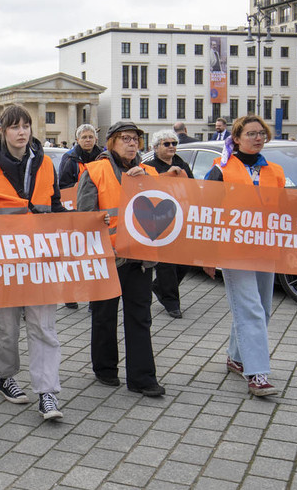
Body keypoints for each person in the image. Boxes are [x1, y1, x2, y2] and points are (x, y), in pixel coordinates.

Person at [0, 104, 67, 421]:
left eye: (26, 126)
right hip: (3, 262)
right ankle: (6, 377)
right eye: (14, 127)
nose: (21, 132)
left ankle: (47, 393)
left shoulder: (46, 165)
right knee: (6, 330)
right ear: (4, 132)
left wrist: (87, 225)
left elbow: (54, 207)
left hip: (40, 262)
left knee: (44, 329)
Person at [77, 121, 184, 398]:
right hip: (107, 257)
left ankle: (142, 377)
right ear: (111, 142)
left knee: (140, 317)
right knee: (104, 316)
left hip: (139, 258)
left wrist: (158, 181)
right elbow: (85, 217)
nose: (132, 143)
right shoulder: (95, 171)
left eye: (135, 138)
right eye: (125, 138)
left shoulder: (148, 171)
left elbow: (167, 210)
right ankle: (105, 368)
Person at [204, 115, 297, 397]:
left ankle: (236, 357)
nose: (258, 138)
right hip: (234, 251)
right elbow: (206, 213)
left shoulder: (276, 171)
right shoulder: (220, 170)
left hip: (265, 248)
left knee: (262, 309)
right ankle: (257, 373)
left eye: (261, 133)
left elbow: (286, 207)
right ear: (236, 138)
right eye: (251, 134)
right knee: (251, 310)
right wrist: (208, 255)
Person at [146, 130, 194, 319]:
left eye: (174, 143)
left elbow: (191, 188)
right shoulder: (148, 166)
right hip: (159, 220)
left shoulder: (182, 164)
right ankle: (171, 302)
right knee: (167, 264)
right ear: (156, 147)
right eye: (167, 144)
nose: (172, 146)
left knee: (185, 261)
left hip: (181, 218)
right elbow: (145, 187)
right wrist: (166, 174)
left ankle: (159, 287)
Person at [58, 123, 103, 310]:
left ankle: (95, 298)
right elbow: (62, 184)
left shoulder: (103, 158)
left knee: (95, 256)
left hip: (97, 211)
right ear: (77, 140)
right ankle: (70, 294)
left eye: (90, 137)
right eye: (84, 137)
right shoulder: (69, 159)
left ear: (95, 139)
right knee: (73, 255)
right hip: (75, 211)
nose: (87, 140)